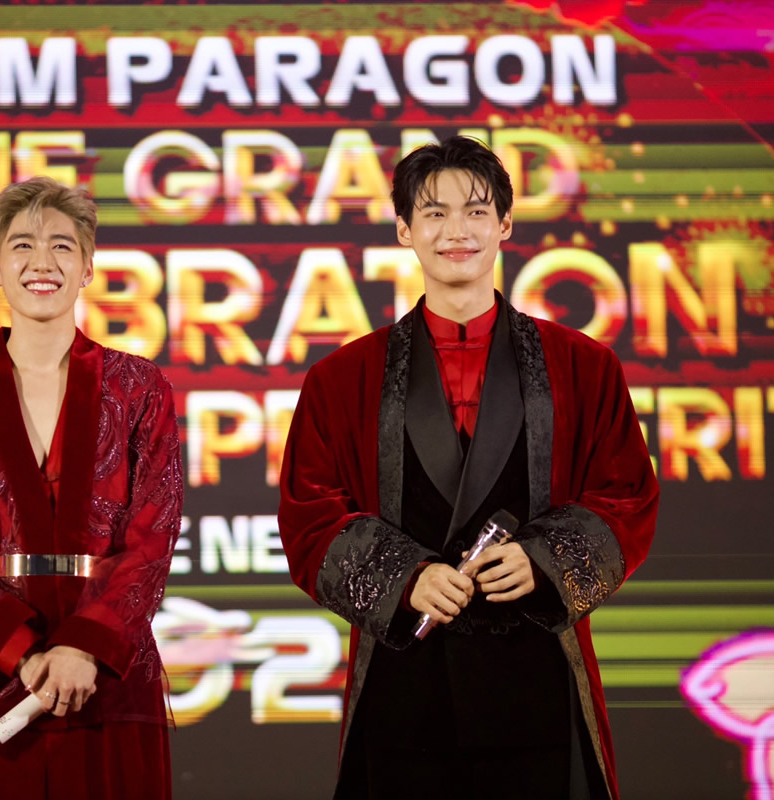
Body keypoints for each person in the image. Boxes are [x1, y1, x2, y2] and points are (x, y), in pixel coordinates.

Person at [277, 136, 659, 799]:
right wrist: (405, 577)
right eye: (434, 213)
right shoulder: (342, 378)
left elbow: (625, 494)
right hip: (405, 683)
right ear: (404, 229)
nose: (457, 231)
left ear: (505, 224)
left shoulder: (584, 366)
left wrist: (543, 559)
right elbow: (309, 511)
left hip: (538, 677)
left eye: (476, 211)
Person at [0, 177, 182, 798]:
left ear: (88, 268)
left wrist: (83, 649)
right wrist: (24, 656)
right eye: (22, 245)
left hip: (110, 674)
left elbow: (153, 538)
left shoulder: (139, 388)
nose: (43, 262)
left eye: (62, 246)